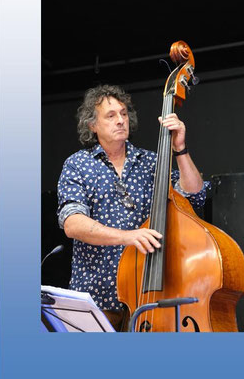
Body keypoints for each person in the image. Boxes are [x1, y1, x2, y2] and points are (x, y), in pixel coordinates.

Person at [57, 84, 208, 329]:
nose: (120, 120)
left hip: (147, 296)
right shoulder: (77, 165)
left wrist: (180, 149)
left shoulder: (151, 161)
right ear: (92, 125)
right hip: (97, 299)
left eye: (124, 113)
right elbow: (73, 223)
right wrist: (128, 237)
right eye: (111, 115)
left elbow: (194, 196)